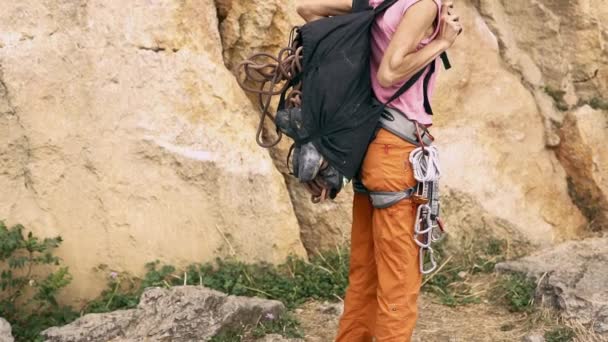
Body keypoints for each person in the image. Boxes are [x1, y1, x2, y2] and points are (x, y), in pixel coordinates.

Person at [297, 0, 462, 341]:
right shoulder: (422, 6)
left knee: (366, 274)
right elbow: (390, 73)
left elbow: (308, 10)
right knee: (398, 282)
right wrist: (440, 43)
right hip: (397, 152)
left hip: (370, 146)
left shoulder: (382, 1)